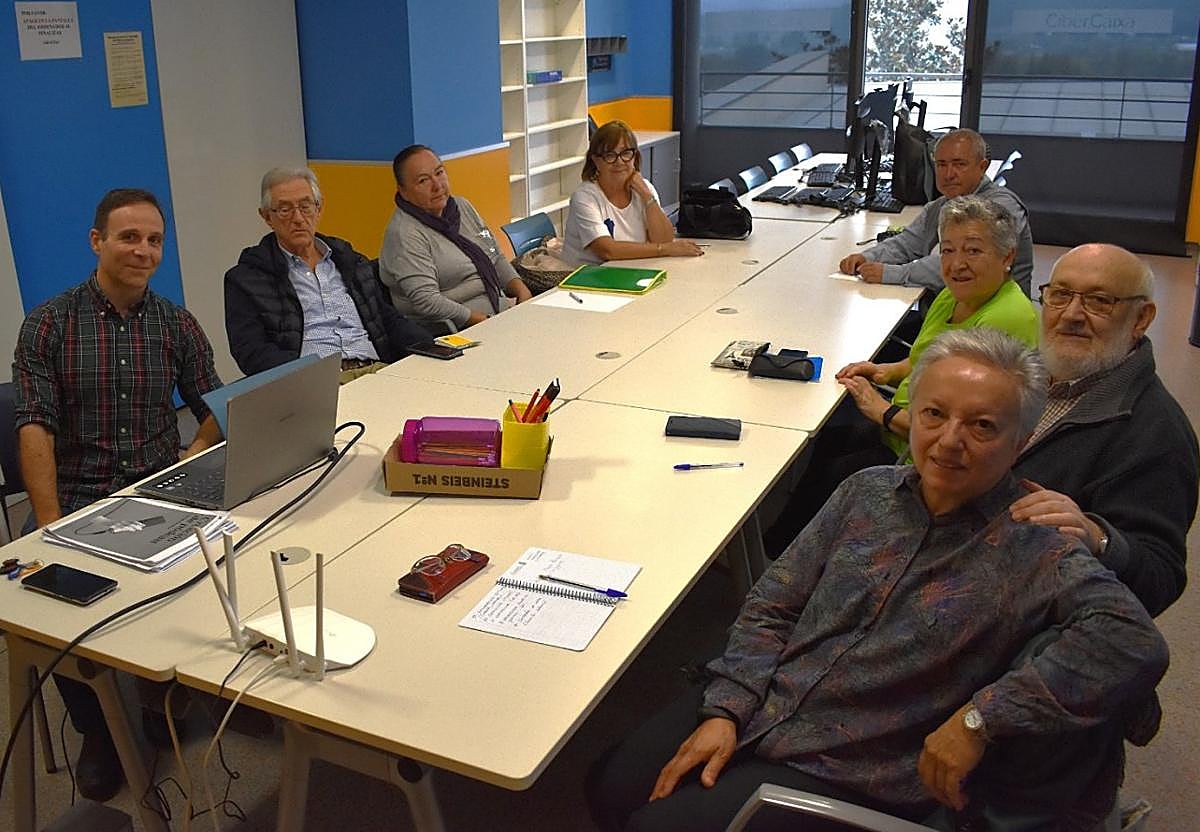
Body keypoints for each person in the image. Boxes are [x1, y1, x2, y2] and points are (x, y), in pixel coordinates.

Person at [589, 329, 1167, 831]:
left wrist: (980, 719)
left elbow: (1134, 642)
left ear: (1019, 443)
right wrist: (727, 709)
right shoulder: (865, 492)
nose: (948, 440)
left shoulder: (1035, 543)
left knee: (654, 823)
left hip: (852, 763)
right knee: (608, 785)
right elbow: (774, 605)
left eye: (982, 426)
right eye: (934, 413)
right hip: (768, 703)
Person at [13, 188, 223, 801]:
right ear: (97, 241)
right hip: (80, 498)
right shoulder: (50, 324)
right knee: (58, 614)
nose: (143, 250)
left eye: (154, 240)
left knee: (227, 561)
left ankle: (164, 697)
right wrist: (51, 527)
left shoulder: (175, 322)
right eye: (129, 237)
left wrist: (189, 459)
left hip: (161, 492)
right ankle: (98, 732)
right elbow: (34, 427)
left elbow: (215, 403)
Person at [765, 195, 1037, 551]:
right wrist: (883, 371)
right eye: (949, 251)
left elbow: (963, 429)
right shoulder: (955, 296)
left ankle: (788, 559)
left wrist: (882, 410)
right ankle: (782, 546)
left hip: (928, 456)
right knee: (827, 442)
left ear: (1007, 258)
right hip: (903, 424)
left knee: (836, 474)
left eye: (973, 252)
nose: (957, 264)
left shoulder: (1003, 319)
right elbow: (924, 358)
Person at [1010, 243, 1198, 617]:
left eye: (1099, 301)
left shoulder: (1157, 434)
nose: (1072, 315)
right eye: (1060, 295)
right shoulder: (1022, 373)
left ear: (1141, 318)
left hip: (1023, 615)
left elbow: (1160, 580)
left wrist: (1098, 537)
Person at [224, 167, 430, 384]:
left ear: (319, 209)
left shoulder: (350, 261)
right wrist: (310, 376)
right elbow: (251, 352)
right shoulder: (246, 280)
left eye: (305, 207)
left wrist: (431, 347)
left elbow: (386, 319)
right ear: (267, 217)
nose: (298, 218)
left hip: (375, 371)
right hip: (314, 383)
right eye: (285, 210)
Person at [838, 128, 1033, 298]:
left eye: (959, 164)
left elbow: (955, 266)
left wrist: (890, 273)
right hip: (953, 306)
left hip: (988, 322)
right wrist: (869, 257)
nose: (948, 174)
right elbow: (908, 242)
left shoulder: (999, 208)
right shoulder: (943, 204)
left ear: (982, 167)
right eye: (941, 165)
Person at [379, 145, 531, 330]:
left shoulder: (462, 207)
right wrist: (482, 320)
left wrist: (522, 291)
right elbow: (426, 301)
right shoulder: (404, 234)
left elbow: (494, 255)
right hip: (458, 330)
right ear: (403, 191)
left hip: (500, 311)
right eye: (423, 181)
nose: (437, 186)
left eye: (439, 173)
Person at [562, 120, 704, 265]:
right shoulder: (585, 197)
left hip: (629, 269)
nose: (619, 162)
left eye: (626, 153)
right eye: (610, 155)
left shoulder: (645, 189)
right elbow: (607, 250)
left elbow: (664, 239)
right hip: (586, 275)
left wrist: (647, 196)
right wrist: (664, 249)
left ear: (635, 156)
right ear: (596, 161)